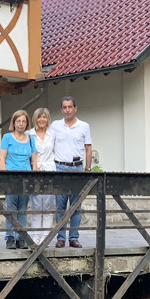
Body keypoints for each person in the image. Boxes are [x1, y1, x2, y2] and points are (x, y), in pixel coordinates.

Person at [50, 96, 92, 248]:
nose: (67, 110)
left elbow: (88, 148)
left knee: (76, 206)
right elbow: (48, 143)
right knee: (60, 206)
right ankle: (60, 238)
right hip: (60, 168)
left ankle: (73, 237)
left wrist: (88, 169)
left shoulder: (84, 126)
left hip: (77, 168)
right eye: (64, 107)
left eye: (70, 107)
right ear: (61, 110)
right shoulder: (55, 125)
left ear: (75, 108)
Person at [0, 109, 36, 248]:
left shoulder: (30, 139)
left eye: (23, 121)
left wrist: (34, 176)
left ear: (27, 124)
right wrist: (4, 175)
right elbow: (2, 158)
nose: (21, 124)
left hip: (25, 177)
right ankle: (10, 237)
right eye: (18, 121)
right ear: (13, 123)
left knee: (23, 208)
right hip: (11, 177)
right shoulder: (7, 137)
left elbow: (34, 161)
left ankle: (21, 236)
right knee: (11, 207)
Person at [28, 107, 57, 235]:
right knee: (36, 204)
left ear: (48, 119)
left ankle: (46, 235)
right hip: (35, 169)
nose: (42, 119)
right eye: (39, 117)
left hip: (50, 170)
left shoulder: (53, 134)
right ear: (35, 118)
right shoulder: (29, 134)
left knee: (48, 205)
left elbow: (55, 151)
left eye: (44, 117)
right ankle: (35, 235)